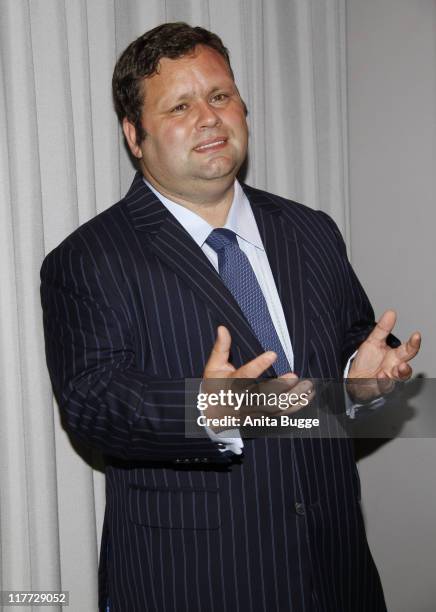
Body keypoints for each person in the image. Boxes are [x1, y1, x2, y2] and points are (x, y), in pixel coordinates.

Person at [40, 22, 421, 612]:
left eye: (220, 96)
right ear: (134, 135)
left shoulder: (310, 229)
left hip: (338, 568)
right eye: (180, 106)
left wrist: (359, 378)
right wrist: (205, 406)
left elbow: (349, 342)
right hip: (198, 579)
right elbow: (94, 404)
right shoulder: (89, 258)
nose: (210, 118)